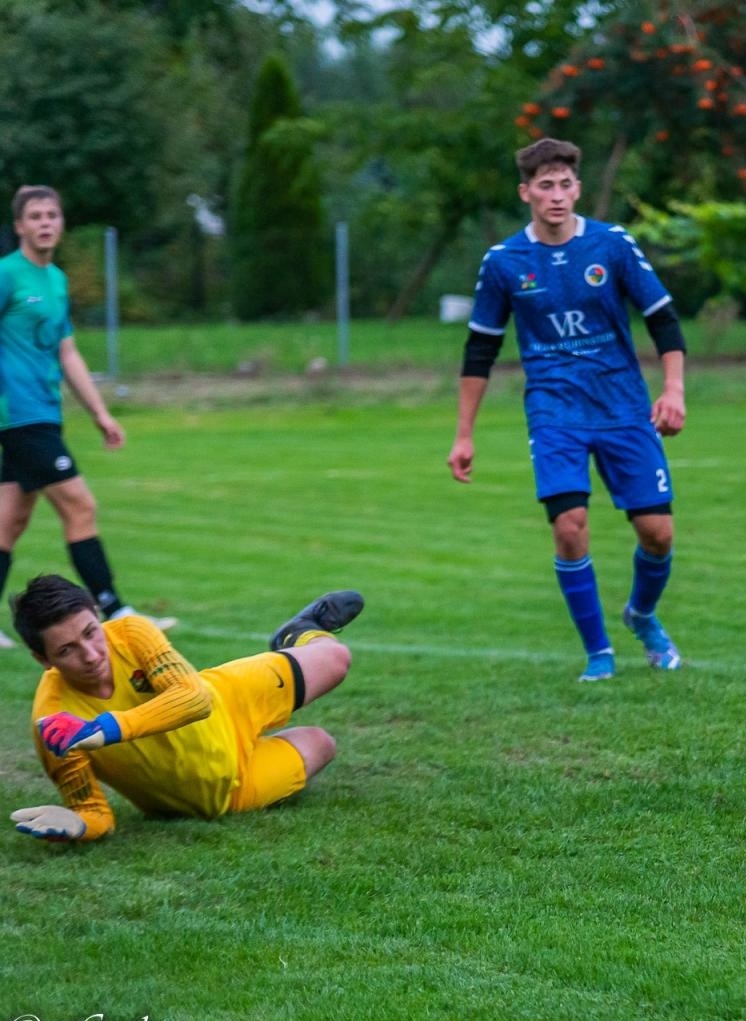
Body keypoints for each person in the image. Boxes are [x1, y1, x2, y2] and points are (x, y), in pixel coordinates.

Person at [448, 139, 687, 683]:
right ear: (526, 192)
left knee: (658, 534)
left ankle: (642, 617)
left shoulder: (612, 245)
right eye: (544, 185)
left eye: (564, 185)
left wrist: (672, 390)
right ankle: (598, 654)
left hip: (623, 406)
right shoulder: (505, 262)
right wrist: (464, 434)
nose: (556, 196)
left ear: (577, 188)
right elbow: (480, 350)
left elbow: (664, 320)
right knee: (570, 527)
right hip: (554, 411)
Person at [9, 577, 362, 842]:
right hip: (225, 793)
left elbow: (194, 700)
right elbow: (94, 812)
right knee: (322, 742)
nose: (91, 654)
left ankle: (299, 634)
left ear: (98, 617)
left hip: (226, 699)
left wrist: (110, 728)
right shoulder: (54, 723)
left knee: (336, 657)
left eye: (91, 632)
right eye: (68, 650)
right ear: (43, 659)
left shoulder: (131, 632)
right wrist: (80, 825)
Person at [0, 186, 174, 650]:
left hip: (45, 414)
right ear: (19, 225)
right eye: (34, 215)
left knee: (9, 522)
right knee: (80, 505)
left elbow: (67, 350)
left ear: (61, 223)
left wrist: (99, 412)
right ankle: (115, 610)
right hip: (17, 417)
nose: (44, 222)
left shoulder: (55, 280)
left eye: (52, 214)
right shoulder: (6, 275)